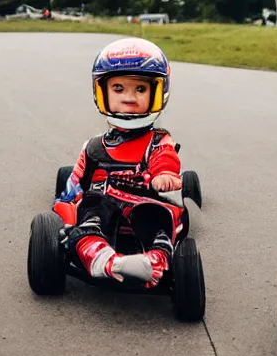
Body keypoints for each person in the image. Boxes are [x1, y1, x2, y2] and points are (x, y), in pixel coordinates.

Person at [55, 37, 182, 288]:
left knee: (157, 218)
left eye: (141, 89)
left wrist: (163, 176)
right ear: (102, 91)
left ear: (158, 92)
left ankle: (153, 262)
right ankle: (104, 260)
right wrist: (67, 210)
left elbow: (165, 159)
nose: (129, 98)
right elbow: (74, 186)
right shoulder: (94, 146)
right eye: (119, 89)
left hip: (144, 204)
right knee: (92, 210)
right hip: (104, 206)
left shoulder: (157, 141)